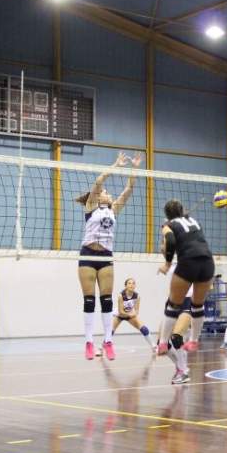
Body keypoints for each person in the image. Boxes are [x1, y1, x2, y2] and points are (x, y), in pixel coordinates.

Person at [77, 152, 141, 361]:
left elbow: (129, 189)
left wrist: (134, 168)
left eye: (108, 192)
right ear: (98, 197)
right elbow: (99, 181)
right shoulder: (91, 207)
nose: (108, 193)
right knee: (89, 300)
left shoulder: (114, 210)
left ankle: (108, 341)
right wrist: (115, 164)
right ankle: (89, 342)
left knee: (106, 300)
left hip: (105, 256)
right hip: (88, 255)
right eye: (105, 192)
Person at [157, 199, 215, 385]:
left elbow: (169, 241)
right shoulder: (192, 225)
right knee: (163, 341)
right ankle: (182, 367)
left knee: (174, 336)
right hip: (205, 266)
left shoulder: (179, 248)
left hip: (186, 305)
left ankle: (182, 367)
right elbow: (168, 244)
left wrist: (167, 261)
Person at [112, 278, 152, 347]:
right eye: (129, 283)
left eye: (133, 283)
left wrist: (134, 314)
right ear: (125, 286)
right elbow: (121, 311)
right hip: (120, 316)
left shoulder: (137, 296)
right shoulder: (121, 296)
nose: (131, 285)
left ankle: (154, 346)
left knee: (144, 329)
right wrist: (129, 314)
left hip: (130, 315)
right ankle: (102, 348)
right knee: (110, 331)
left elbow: (136, 310)